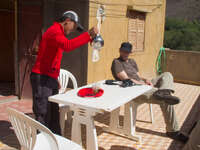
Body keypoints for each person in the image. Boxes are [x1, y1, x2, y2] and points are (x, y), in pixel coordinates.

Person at [30, 10, 98, 135]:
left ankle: (56, 140)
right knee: (43, 112)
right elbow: (68, 46)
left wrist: (55, 78)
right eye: (74, 26)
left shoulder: (59, 34)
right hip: (41, 77)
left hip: (49, 77)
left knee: (54, 111)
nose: (72, 30)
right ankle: (41, 143)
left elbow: (53, 59)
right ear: (67, 21)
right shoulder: (54, 31)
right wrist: (88, 35)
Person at [111, 42, 188, 143]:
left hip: (142, 85)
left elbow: (138, 76)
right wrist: (143, 84)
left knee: (167, 75)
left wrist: (146, 80)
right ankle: (173, 131)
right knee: (167, 100)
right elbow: (127, 79)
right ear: (120, 50)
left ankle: (164, 92)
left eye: (127, 52)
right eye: (123, 51)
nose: (125, 53)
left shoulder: (132, 61)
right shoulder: (117, 62)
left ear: (130, 52)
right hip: (133, 90)